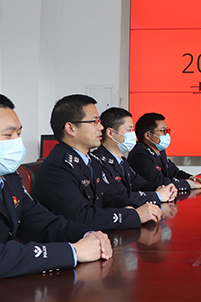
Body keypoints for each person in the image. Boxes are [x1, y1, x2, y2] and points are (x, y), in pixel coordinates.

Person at [0, 91, 112, 296]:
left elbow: (44, 224)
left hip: (1, 291)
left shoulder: (9, 179)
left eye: (18, 134)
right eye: (8, 135)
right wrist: (73, 252)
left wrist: (88, 235)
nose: (17, 142)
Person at [32, 95, 161, 231]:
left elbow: (110, 195)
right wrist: (134, 216)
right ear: (71, 129)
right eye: (94, 121)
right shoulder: (58, 167)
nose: (101, 127)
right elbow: (81, 217)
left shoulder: (92, 160)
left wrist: (128, 208)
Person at [90, 107, 177, 206]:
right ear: (111, 133)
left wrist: (163, 189)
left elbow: (140, 183)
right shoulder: (98, 162)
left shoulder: (121, 161)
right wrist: (158, 196)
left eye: (133, 130)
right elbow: (121, 196)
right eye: (129, 130)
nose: (133, 135)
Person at [127, 113, 201, 191]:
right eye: (162, 131)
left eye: (167, 130)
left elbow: (174, 172)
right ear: (148, 135)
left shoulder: (160, 152)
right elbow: (160, 182)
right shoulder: (139, 155)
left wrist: (191, 178)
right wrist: (190, 184)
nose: (166, 134)